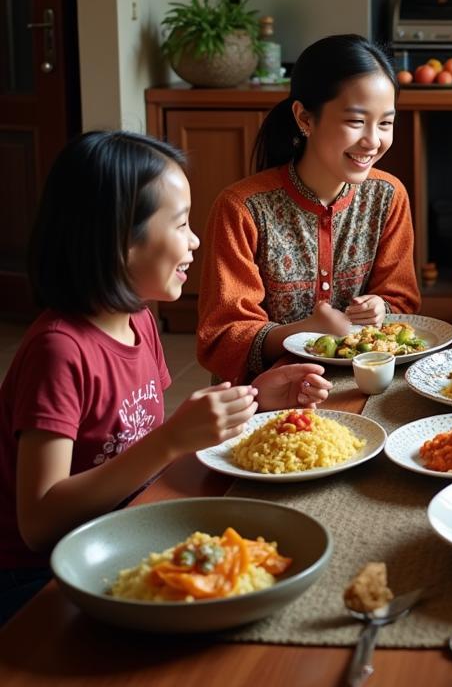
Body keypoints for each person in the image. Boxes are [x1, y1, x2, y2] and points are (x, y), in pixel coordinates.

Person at [0, 131, 329, 623]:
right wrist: (172, 441)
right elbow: (39, 521)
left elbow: (135, 438)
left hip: (123, 530)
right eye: (180, 224)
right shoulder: (59, 351)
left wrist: (252, 400)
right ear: (118, 242)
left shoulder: (138, 319)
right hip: (38, 576)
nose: (195, 240)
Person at [197, 34, 419, 384]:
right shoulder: (242, 208)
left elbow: (402, 301)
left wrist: (382, 308)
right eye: (356, 121)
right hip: (263, 396)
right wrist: (304, 331)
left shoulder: (388, 195)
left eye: (386, 123)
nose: (373, 141)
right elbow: (223, 336)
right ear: (304, 118)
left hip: (360, 385)